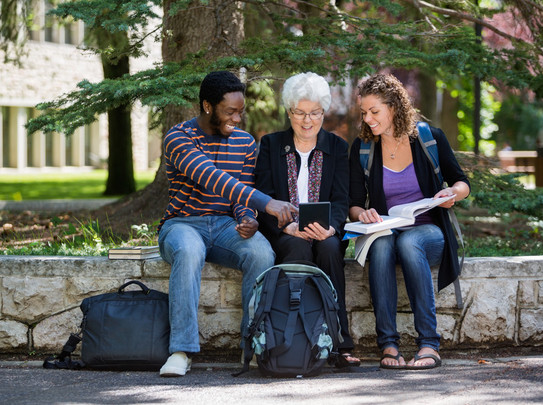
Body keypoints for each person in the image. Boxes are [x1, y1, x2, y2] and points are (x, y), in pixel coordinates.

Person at [157, 71, 297, 377]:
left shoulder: (245, 143)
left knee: (261, 253)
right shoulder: (179, 138)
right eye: (230, 112)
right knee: (190, 250)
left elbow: (239, 193)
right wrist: (267, 204)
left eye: (241, 112)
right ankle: (181, 350)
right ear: (208, 106)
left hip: (224, 226)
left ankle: (254, 344)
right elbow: (212, 177)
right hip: (182, 224)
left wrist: (248, 217)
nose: (237, 118)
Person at [348, 73, 470, 370]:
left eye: (375, 112)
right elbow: (352, 203)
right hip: (385, 230)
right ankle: (388, 345)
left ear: (394, 107)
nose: (368, 119)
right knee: (383, 246)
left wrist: (452, 193)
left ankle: (429, 343)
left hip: (428, 233)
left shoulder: (429, 138)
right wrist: (361, 213)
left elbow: (461, 182)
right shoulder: (363, 148)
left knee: (410, 240)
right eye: (364, 113)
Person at [254, 72, 360, 367]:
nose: (307, 120)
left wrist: (332, 227)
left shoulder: (337, 148)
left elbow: (341, 199)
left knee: (328, 250)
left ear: (324, 112)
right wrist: (284, 225)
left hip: (325, 232)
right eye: (299, 113)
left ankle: (340, 342)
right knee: (298, 251)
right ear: (289, 112)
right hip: (285, 232)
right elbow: (263, 197)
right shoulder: (271, 145)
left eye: (315, 113)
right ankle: (301, 340)